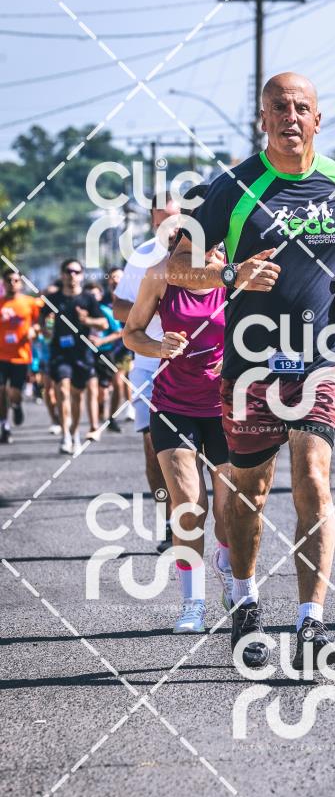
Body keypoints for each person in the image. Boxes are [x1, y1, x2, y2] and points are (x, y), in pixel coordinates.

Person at [167, 71, 335, 670]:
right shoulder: (233, 187)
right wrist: (230, 275)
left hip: (321, 356)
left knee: (314, 477)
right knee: (250, 490)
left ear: (318, 118)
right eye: (279, 108)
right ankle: (243, 599)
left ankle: (311, 621)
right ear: (262, 119)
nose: (291, 117)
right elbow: (177, 266)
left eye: (301, 107)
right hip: (250, 364)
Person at [124, 239, 230, 633]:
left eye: (215, 242)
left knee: (229, 512)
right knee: (188, 505)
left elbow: (265, 335)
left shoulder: (235, 277)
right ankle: (193, 604)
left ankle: (227, 563)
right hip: (172, 404)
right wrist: (158, 346)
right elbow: (132, 333)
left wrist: (237, 359)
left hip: (226, 407)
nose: (208, 250)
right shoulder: (160, 276)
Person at [113, 194, 183, 552]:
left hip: (196, 367)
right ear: (153, 220)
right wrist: (151, 307)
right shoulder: (142, 256)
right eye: (161, 220)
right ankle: (170, 522)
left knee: (199, 449)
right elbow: (118, 307)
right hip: (148, 365)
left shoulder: (207, 255)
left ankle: (198, 518)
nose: (168, 227)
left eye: (174, 219)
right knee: (154, 446)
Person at [41, 259, 108, 455]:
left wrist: (87, 320)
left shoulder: (88, 299)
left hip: (82, 353)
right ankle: (65, 436)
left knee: (77, 396)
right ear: (62, 274)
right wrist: (47, 327)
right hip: (59, 353)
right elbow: (43, 325)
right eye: (68, 271)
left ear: (81, 275)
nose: (72, 275)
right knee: (62, 389)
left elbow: (103, 323)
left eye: (76, 272)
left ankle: (75, 433)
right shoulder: (52, 299)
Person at [0, 269, 43, 443]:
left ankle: (16, 405)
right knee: (1, 391)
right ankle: (4, 426)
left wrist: (35, 330)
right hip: (1, 355)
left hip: (21, 356)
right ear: (4, 283)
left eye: (16, 280)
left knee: (14, 392)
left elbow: (42, 323)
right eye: (9, 280)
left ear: (21, 283)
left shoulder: (30, 303)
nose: (12, 283)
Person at [84, 281, 125, 433]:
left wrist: (101, 341)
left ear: (100, 295)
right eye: (88, 294)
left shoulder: (105, 311)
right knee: (92, 388)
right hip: (86, 354)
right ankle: (94, 424)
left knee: (108, 388)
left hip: (106, 353)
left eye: (95, 294)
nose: (92, 297)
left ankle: (110, 417)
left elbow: (118, 332)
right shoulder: (80, 312)